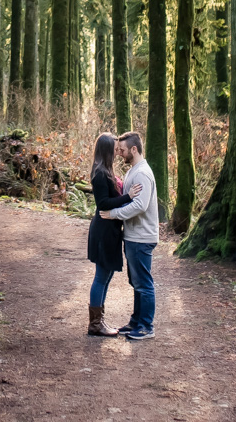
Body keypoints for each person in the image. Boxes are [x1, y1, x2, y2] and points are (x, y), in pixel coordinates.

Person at [99, 131, 157, 340]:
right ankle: (136, 321)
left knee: (143, 283)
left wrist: (113, 214)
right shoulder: (134, 170)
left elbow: (140, 205)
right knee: (137, 282)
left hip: (142, 237)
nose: (120, 154)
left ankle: (146, 326)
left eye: (122, 150)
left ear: (134, 149)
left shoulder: (142, 173)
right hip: (133, 235)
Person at [86, 133, 142, 336]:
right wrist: (128, 197)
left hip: (110, 230)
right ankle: (95, 325)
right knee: (101, 277)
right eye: (115, 149)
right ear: (107, 150)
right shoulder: (100, 173)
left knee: (106, 275)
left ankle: (99, 322)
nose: (118, 152)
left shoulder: (106, 171)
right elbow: (103, 204)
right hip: (103, 230)